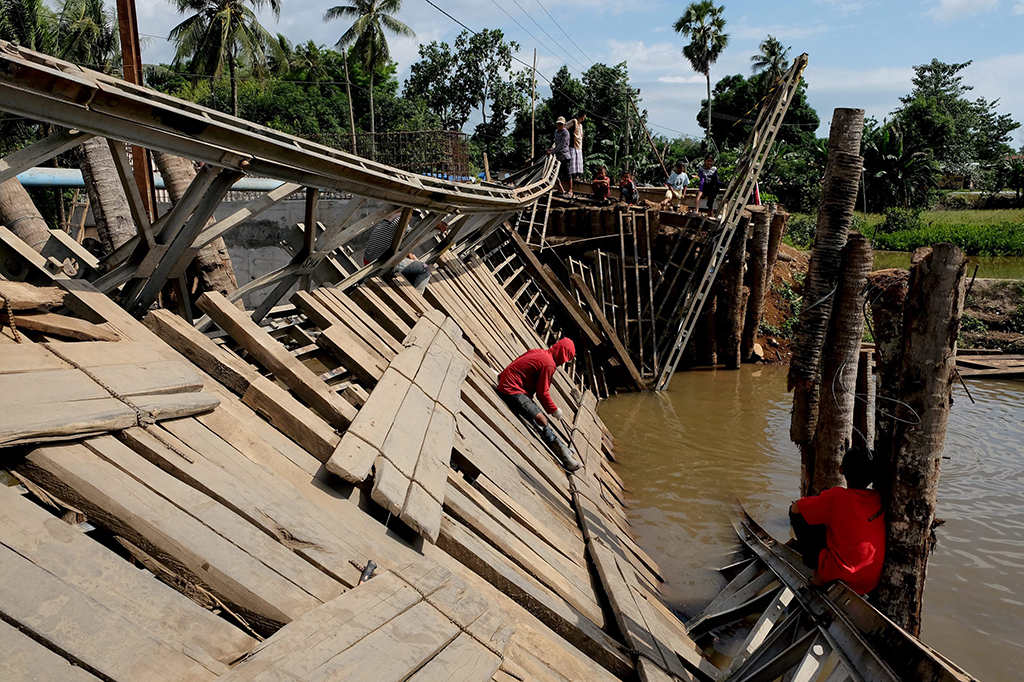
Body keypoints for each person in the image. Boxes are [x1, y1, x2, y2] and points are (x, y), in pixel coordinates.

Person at [788, 445, 885, 595]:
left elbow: (795, 509)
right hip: (869, 582)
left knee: (799, 516)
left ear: (841, 470)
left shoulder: (836, 497)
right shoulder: (877, 498)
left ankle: (818, 578)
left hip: (843, 576)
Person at [497, 338, 583, 472]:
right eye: (565, 359)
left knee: (539, 415)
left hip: (507, 384)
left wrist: (502, 377)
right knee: (542, 420)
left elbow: (515, 362)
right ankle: (565, 458)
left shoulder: (538, 351)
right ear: (562, 355)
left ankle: (563, 448)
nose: (562, 363)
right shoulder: (549, 364)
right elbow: (542, 393)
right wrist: (554, 410)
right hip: (512, 391)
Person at [362, 211, 447, 293]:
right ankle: (416, 299)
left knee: (412, 268)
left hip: (371, 262)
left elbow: (401, 242)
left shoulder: (388, 219)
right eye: (411, 214)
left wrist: (409, 255)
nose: (411, 218)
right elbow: (413, 236)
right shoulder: (400, 220)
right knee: (424, 269)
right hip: (383, 263)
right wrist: (432, 224)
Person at [545, 116, 573, 197]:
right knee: (554, 174)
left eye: (561, 124)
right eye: (558, 124)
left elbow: (562, 145)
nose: (559, 125)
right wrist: (551, 150)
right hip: (558, 156)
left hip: (565, 155)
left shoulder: (566, 133)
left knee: (568, 174)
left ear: (564, 125)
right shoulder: (556, 132)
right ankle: (561, 189)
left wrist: (552, 152)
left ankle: (570, 190)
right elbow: (556, 144)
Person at [564, 112, 586, 186]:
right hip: (572, 145)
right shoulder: (574, 121)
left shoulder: (580, 125)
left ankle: (577, 176)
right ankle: (572, 177)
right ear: (582, 116)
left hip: (579, 145)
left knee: (578, 162)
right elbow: (565, 127)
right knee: (572, 162)